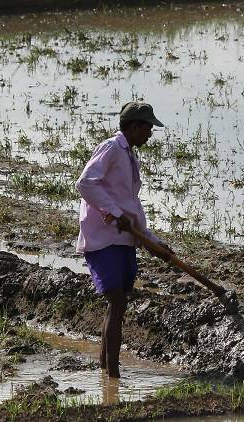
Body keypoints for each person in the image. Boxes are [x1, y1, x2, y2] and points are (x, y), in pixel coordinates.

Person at [75, 101, 172, 378]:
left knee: (117, 303)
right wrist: (114, 213)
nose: (150, 133)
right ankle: (114, 377)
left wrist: (152, 241)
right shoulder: (111, 148)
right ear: (134, 127)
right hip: (104, 239)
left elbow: (130, 206)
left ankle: (107, 368)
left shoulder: (129, 156)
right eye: (148, 127)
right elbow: (85, 183)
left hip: (123, 239)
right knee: (116, 302)